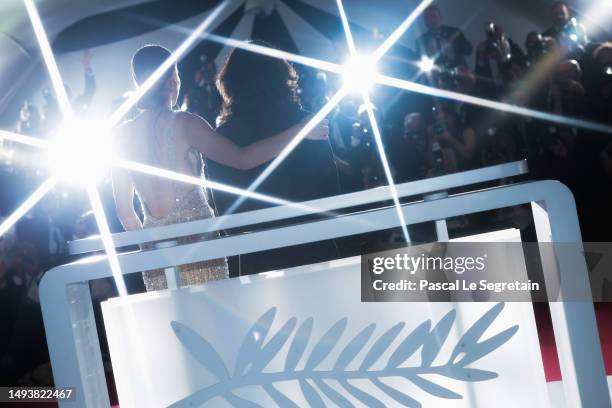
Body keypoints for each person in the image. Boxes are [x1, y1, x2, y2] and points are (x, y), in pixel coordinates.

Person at [111, 45, 329, 291]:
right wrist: (298, 132)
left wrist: (149, 251)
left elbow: (125, 213)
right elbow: (242, 159)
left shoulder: (120, 137)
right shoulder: (185, 124)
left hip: (156, 257)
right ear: (173, 78)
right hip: (198, 250)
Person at [206, 42, 341, 276]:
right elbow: (330, 190)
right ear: (282, 76)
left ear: (230, 82)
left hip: (256, 256)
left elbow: (223, 207)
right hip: (312, 245)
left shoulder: (224, 137)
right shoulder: (308, 124)